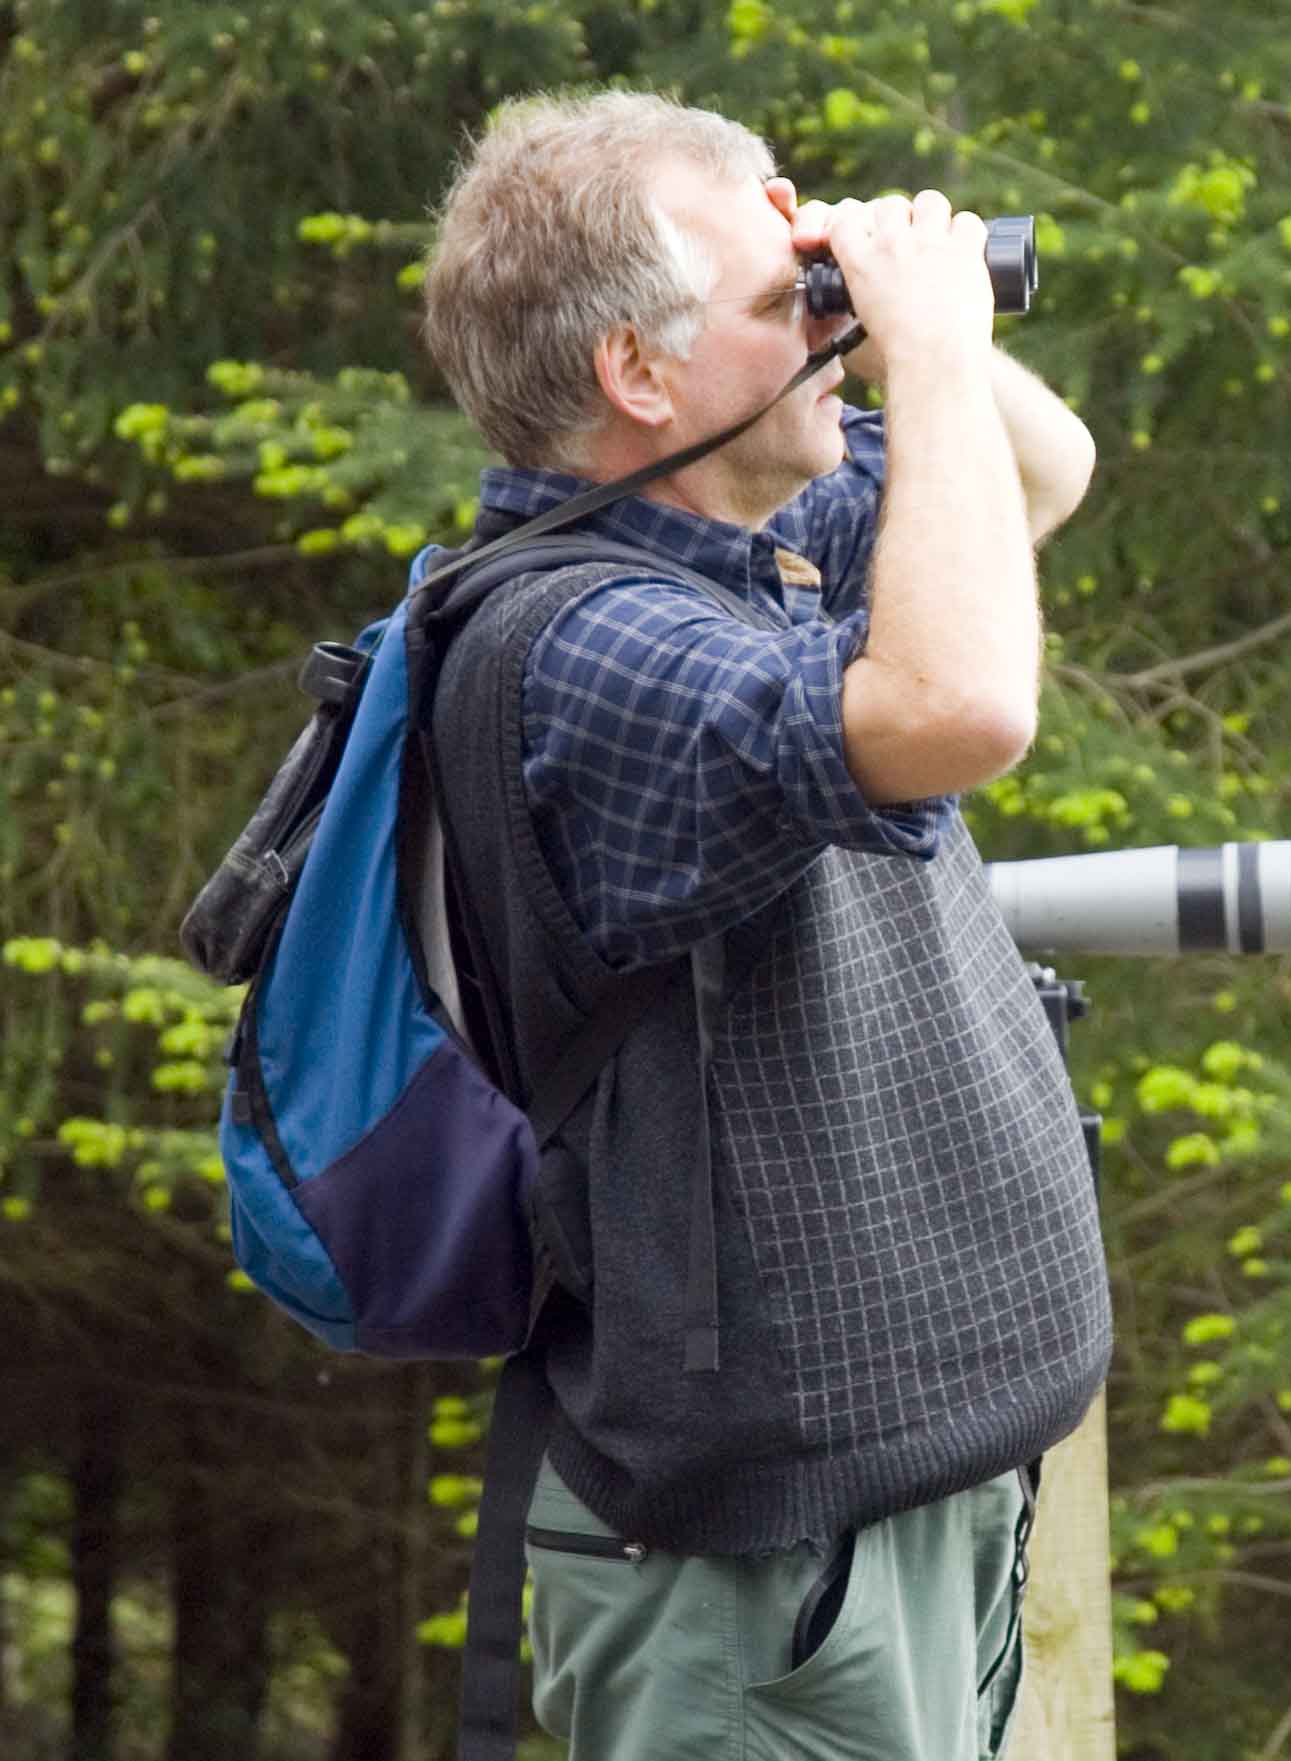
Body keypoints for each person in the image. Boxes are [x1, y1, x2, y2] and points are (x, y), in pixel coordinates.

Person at [414, 89, 1108, 1761]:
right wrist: (923, 348)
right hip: (759, 1593)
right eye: (777, 292)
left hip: (896, 1524)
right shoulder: (580, 649)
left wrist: (868, 308)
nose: (825, 310)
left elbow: (1043, 476)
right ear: (639, 380)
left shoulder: (728, 536)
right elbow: (953, 706)